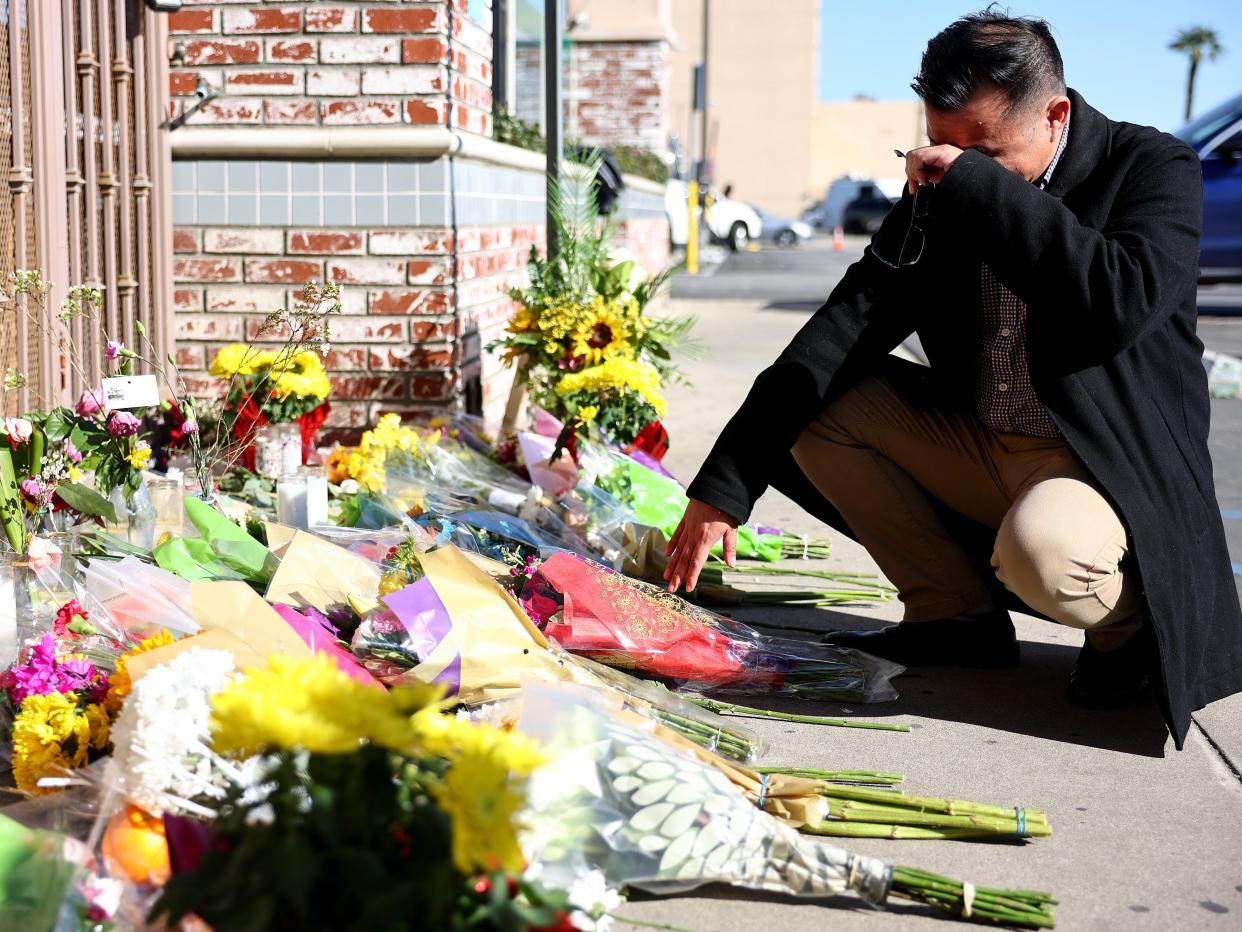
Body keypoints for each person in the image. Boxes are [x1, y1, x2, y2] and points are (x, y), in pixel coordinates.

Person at [663, 9, 1242, 750]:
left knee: (1047, 556)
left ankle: (1127, 633)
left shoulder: (1151, 167)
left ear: (1055, 115)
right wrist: (723, 488)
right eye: (942, 140)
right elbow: (843, 327)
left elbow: (1117, 299)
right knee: (820, 403)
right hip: (978, 439)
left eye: (983, 150)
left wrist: (981, 189)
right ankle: (953, 614)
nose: (950, 165)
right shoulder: (945, 187)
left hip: (1099, 465)